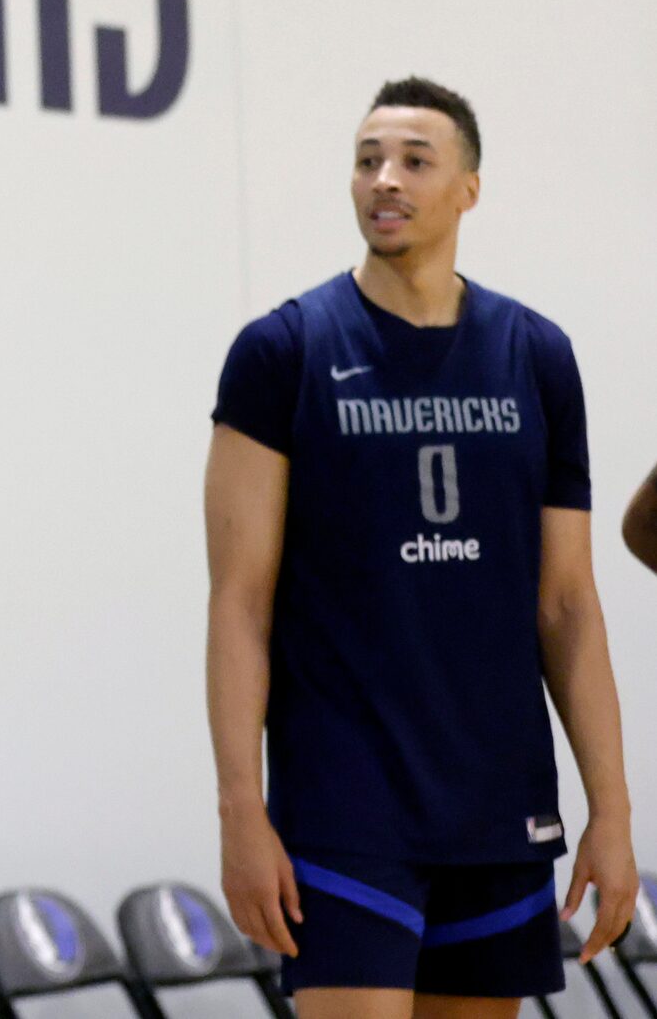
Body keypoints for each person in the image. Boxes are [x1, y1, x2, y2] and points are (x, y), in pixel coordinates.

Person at [204, 77, 631, 1019]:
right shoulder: (281, 352)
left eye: (413, 162)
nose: (384, 181)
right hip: (345, 803)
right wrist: (242, 805)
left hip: (497, 799)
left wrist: (613, 807)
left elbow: (566, 603)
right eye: (367, 162)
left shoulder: (538, 357)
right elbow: (239, 600)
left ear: (468, 189)